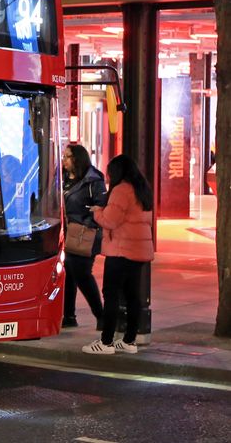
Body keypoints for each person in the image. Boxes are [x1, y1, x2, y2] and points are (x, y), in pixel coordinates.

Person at [83, 154, 155, 355]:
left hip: (121, 250)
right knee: (133, 296)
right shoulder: (142, 189)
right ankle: (129, 341)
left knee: (111, 294)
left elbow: (111, 221)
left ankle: (106, 342)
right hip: (139, 250)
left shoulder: (121, 190)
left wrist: (97, 212)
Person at [62, 143, 107, 328]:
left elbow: (101, 207)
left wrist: (86, 224)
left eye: (67, 157)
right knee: (69, 273)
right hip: (68, 232)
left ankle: (101, 315)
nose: (63, 160)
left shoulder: (94, 180)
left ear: (77, 159)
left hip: (84, 233)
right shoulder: (63, 177)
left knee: (81, 273)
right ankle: (69, 316)